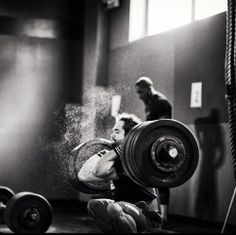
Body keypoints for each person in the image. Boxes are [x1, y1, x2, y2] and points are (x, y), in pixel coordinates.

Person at [78, 113, 164, 233]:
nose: (112, 135)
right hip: (127, 209)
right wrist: (100, 155)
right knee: (93, 205)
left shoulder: (135, 162)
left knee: (114, 208)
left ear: (129, 136)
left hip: (148, 218)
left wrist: (119, 149)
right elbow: (82, 176)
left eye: (117, 132)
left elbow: (99, 171)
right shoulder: (117, 160)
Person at [135, 76, 172, 226]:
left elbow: (164, 125)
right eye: (138, 93)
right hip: (151, 145)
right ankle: (155, 215)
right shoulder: (148, 102)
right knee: (151, 179)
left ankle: (165, 218)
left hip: (163, 147)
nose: (139, 96)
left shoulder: (161, 102)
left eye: (141, 92)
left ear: (149, 89)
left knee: (162, 181)